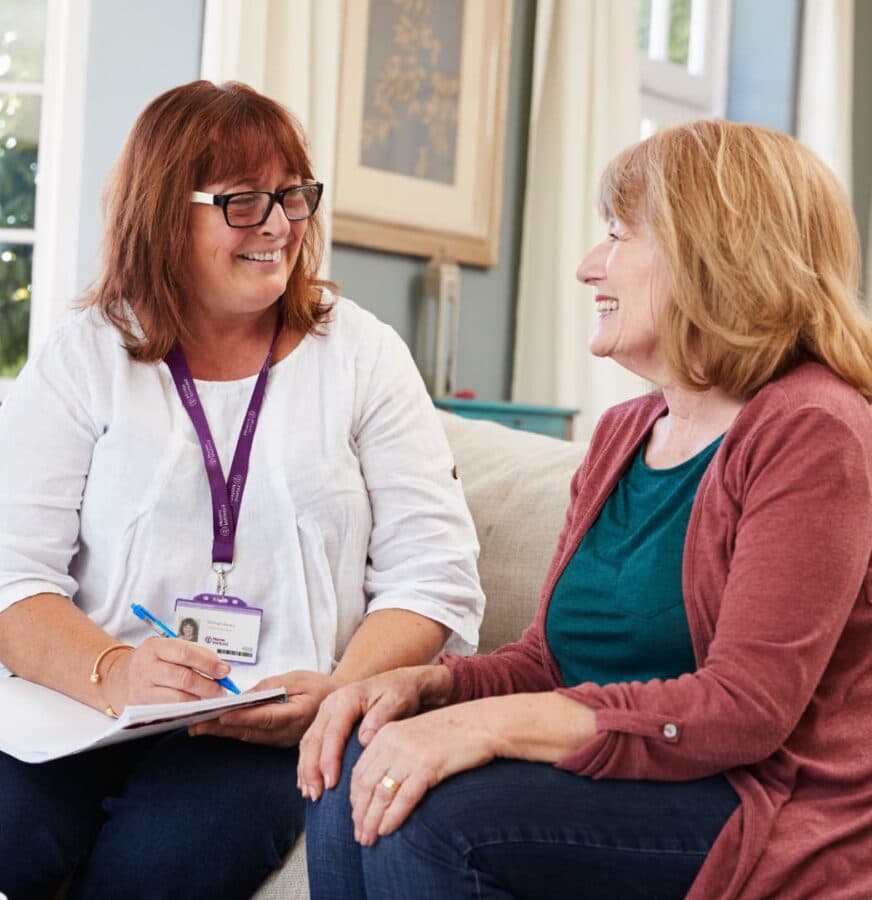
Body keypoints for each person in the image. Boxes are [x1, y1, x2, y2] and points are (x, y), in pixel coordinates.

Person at [0, 80, 484, 900]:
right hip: (80, 698)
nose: (279, 225)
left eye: (292, 195)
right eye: (243, 201)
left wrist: (336, 693)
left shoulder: (364, 356)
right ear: (161, 214)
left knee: (163, 866)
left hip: (265, 723)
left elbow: (433, 574)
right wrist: (114, 670)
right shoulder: (85, 357)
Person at [300, 119, 872, 900]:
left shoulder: (815, 430)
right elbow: (550, 663)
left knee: (432, 820)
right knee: (355, 767)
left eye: (617, 236)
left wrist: (484, 727)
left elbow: (744, 709)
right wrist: (427, 690)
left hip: (761, 803)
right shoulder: (625, 432)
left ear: (714, 253)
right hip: (644, 783)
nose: (587, 266)